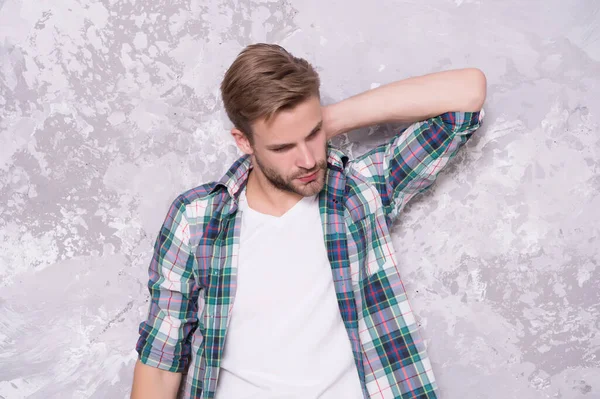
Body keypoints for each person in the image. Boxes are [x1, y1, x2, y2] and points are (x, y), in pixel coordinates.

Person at [130, 43, 486, 399]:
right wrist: (305, 128)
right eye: (283, 147)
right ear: (244, 142)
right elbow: (162, 361)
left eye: (314, 134)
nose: (307, 160)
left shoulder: (360, 190)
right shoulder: (198, 218)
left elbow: (467, 94)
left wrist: (320, 119)